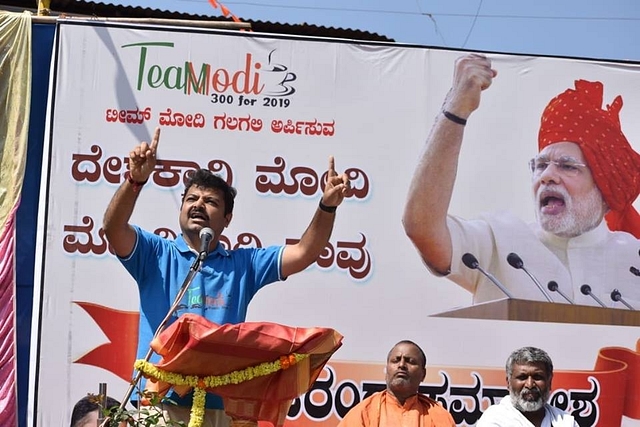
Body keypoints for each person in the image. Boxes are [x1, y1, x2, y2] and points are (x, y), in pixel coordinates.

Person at [102, 127, 350, 426]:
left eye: (211, 202)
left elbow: (305, 252)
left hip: (219, 406)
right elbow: (114, 229)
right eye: (191, 198)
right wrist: (135, 180)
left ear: (227, 219)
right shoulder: (156, 254)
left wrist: (327, 207)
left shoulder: (243, 264)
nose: (198, 205)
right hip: (158, 403)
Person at [402, 53, 640, 307]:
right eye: (540, 165)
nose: (547, 176)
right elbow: (422, 227)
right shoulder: (500, 240)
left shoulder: (633, 259)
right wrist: (456, 109)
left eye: (567, 166)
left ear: (603, 188)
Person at [337, 340, 455, 427]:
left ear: (423, 374)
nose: (402, 365)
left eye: (410, 361)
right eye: (396, 360)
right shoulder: (364, 412)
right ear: (386, 369)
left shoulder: (438, 416)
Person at [477, 346, 578, 426]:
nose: (530, 385)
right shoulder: (495, 418)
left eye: (537, 377)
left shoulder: (565, 421)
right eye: (522, 377)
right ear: (508, 382)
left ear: (549, 382)